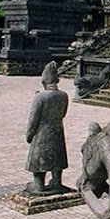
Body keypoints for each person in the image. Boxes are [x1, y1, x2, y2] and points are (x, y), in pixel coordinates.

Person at [25, 61, 69, 194]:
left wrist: (29, 134)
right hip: (57, 130)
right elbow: (63, 114)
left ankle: (39, 185)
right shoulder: (63, 95)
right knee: (57, 156)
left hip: (42, 131)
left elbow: (33, 119)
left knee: (39, 158)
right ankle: (57, 182)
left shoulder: (40, 97)